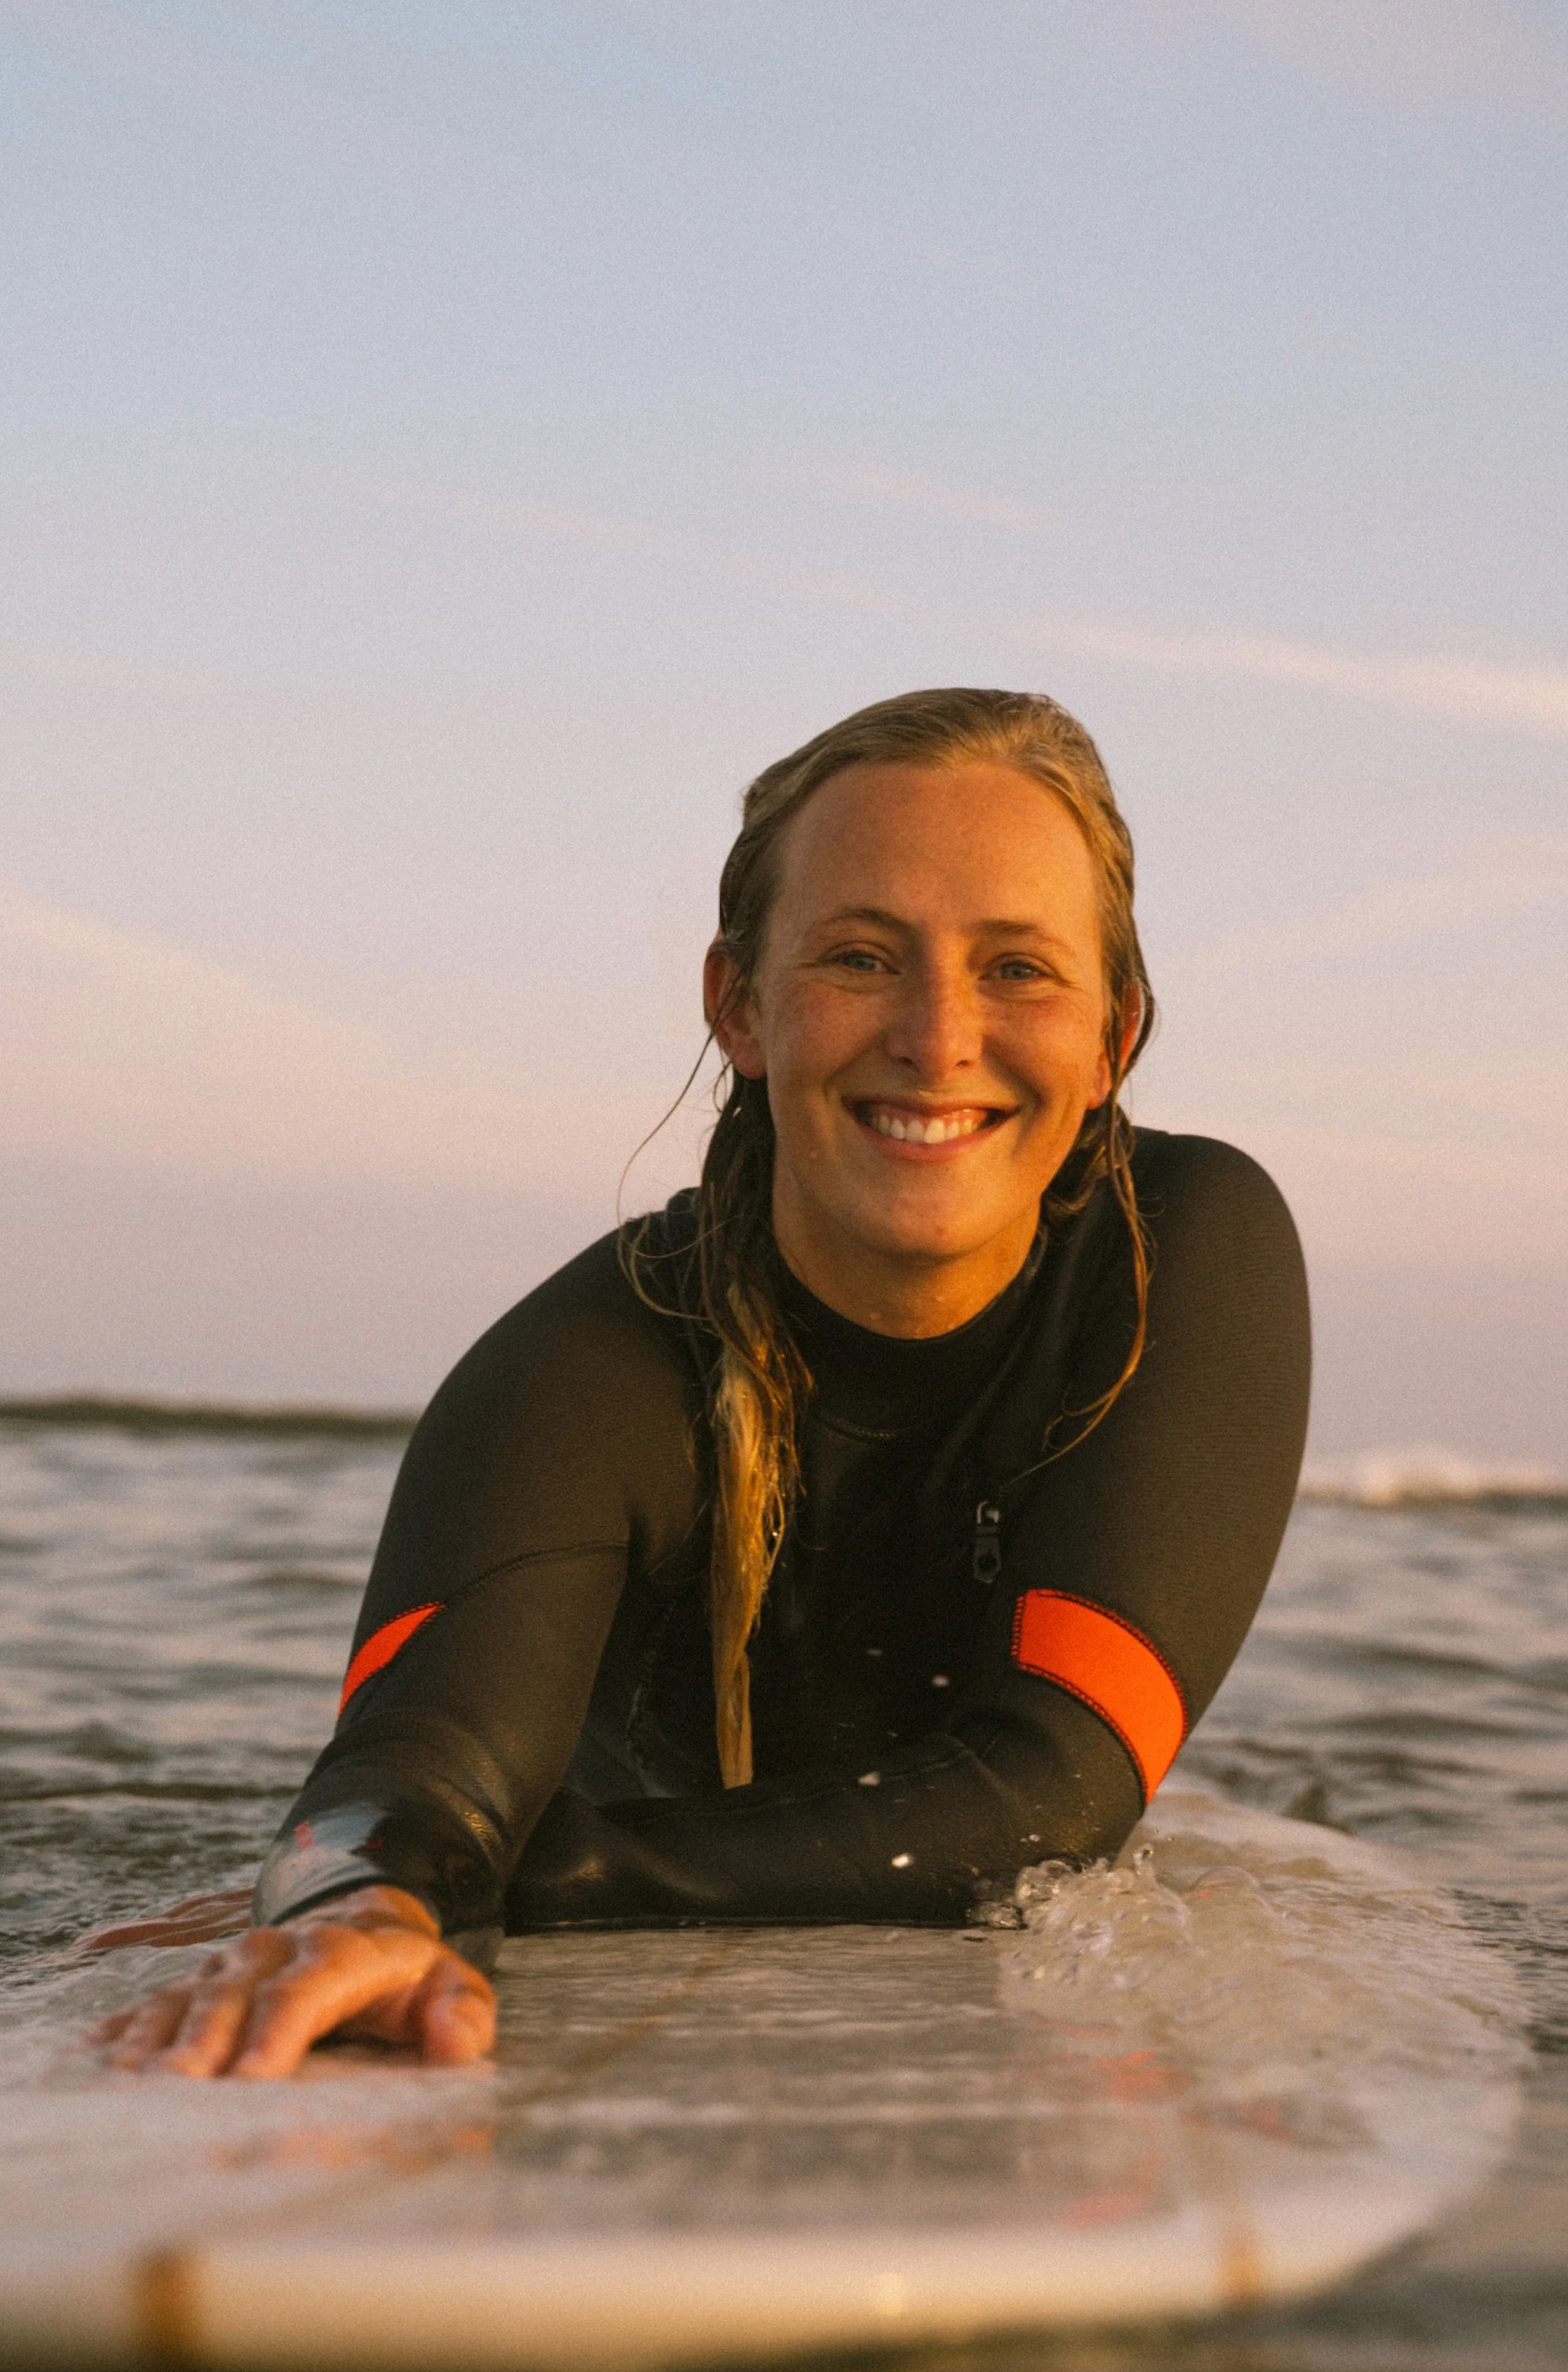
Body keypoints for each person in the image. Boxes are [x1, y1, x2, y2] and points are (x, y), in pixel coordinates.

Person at [93, 687, 1309, 2081]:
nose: (937, 1036)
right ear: (739, 1005)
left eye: (1019, 969)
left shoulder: (1178, 1252)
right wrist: (367, 1901)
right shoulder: (593, 1364)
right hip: (657, 1882)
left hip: (617, 1867)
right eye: (860, 957)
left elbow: (1050, 1795)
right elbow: (410, 1775)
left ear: (1115, 1039)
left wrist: (512, 1881)